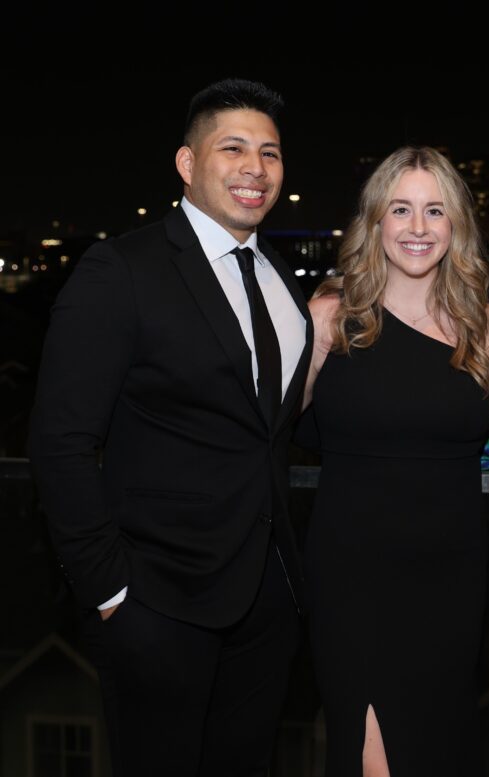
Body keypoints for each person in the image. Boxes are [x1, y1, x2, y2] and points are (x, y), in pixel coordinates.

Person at [28, 78, 312, 776]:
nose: (255, 168)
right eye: (234, 148)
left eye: (270, 152)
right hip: (157, 604)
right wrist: (111, 592)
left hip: (265, 603)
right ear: (188, 163)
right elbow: (60, 441)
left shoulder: (281, 277)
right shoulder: (122, 269)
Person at [301, 145, 489, 776]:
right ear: (375, 222)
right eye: (400, 209)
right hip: (351, 576)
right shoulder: (330, 317)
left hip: (450, 579)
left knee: (438, 750)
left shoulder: (488, 327)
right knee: (371, 756)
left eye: (435, 211)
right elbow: (266, 426)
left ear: (457, 225)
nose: (418, 227)